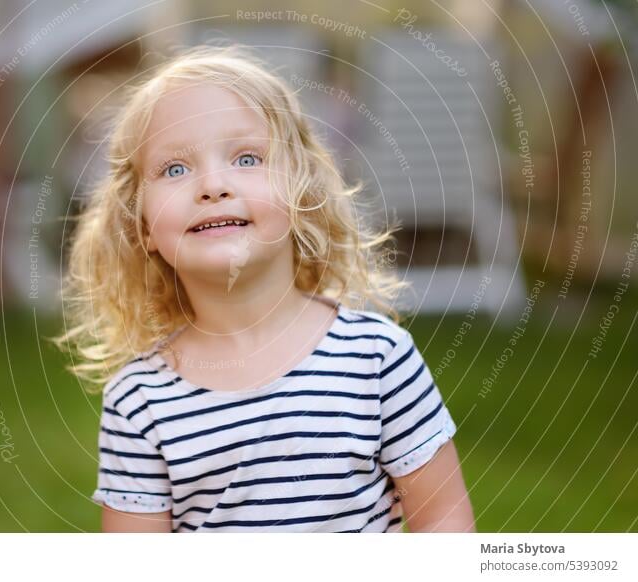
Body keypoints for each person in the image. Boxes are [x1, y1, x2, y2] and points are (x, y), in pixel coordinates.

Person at [55, 45, 476, 533]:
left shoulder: (377, 359)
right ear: (141, 223)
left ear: (302, 191)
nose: (212, 185)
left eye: (247, 157)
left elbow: (443, 520)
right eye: (175, 169)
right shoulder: (141, 400)